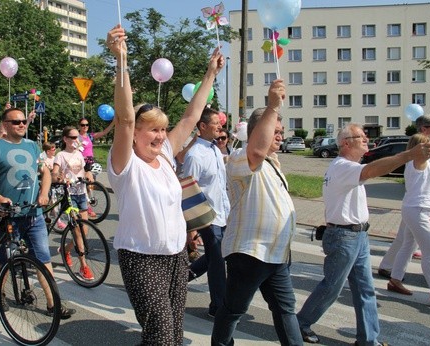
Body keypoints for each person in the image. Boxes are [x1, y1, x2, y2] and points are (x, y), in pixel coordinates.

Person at [106, 24, 224, 345]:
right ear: (134, 134)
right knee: (160, 332)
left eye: (162, 130)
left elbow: (190, 117)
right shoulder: (125, 163)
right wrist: (121, 62)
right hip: (141, 257)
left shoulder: (167, 155)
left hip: (176, 257)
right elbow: (126, 116)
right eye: (152, 130)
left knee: (172, 334)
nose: (160, 136)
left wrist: (210, 75)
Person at [297, 122, 430, 345]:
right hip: (344, 237)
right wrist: (408, 154)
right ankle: (300, 323)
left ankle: (369, 340)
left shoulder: (347, 167)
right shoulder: (342, 166)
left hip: (357, 236)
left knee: (365, 290)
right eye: (361, 137)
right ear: (346, 143)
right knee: (332, 287)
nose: (367, 140)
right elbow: (371, 170)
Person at [212, 81, 304, 346]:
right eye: (274, 130)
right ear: (256, 132)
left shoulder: (273, 163)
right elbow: (256, 150)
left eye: (281, 131)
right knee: (233, 311)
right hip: (251, 254)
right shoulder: (242, 157)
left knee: (286, 309)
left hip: (276, 254)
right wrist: (273, 105)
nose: (280, 135)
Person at [0, 107, 75, 319]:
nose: (21, 124)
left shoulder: (32, 146)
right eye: (16, 122)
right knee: (5, 259)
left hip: (34, 214)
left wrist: (43, 193)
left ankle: (53, 304)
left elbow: (45, 172)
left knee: (43, 258)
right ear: (5, 124)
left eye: (23, 121)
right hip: (9, 215)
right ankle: (0, 294)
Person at [180, 107, 230, 318]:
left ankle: (180, 277)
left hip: (223, 214)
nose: (220, 126)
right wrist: (192, 229)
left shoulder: (215, 150)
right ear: (202, 126)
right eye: (215, 123)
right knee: (217, 263)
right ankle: (218, 307)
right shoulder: (195, 155)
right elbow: (188, 191)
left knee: (215, 258)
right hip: (208, 218)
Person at [377, 114, 430, 278]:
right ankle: (389, 269)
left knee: (406, 240)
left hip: (415, 205)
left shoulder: (421, 155)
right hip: (417, 205)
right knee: (410, 242)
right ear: (425, 129)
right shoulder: (420, 157)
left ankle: (391, 271)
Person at [386, 133, 430, 304]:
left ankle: (395, 280)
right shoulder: (417, 162)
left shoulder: (418, 163)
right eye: (427, 145)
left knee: (408, 245)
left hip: (415, 208)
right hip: (417, 210)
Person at [51, 126, 95, 280]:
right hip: (68, 196)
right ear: (65, 139)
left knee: (85, 231)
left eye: (77, 137)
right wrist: (60, 178)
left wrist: (89, 176)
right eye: (72, 137)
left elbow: (84, 170)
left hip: (81, 194)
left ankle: (65, 250)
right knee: (77, 231)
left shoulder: (79, 154)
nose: (76, 140)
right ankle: (84, 266)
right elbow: (54, 174)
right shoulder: (60, 155)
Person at [77, 118, 114, 218]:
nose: (85, 127)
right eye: (82, 125)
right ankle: (87, 207)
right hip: (81, 163)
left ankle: (86, 204)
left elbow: (104, 132)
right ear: (79, 126)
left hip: (90, 162)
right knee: (84, 185)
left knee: (90, 185)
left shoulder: (90, 136)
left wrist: (113, 122)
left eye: (87, 125)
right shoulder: (76, 137)